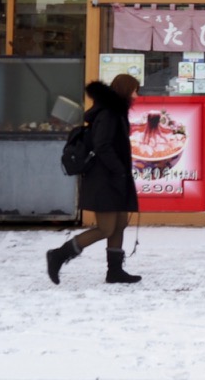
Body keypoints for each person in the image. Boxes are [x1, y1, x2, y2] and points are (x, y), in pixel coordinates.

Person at [46, 74, 142, 285]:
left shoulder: (115, 112)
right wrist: (119, 170)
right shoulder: (109, 113)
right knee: (106, 228)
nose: (137, 95)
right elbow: (102, 146)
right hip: (104, 179)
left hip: (115, 177)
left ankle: (115, 271)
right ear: (125, 90)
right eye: (134, 90)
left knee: (118, 226)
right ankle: (59, 255)